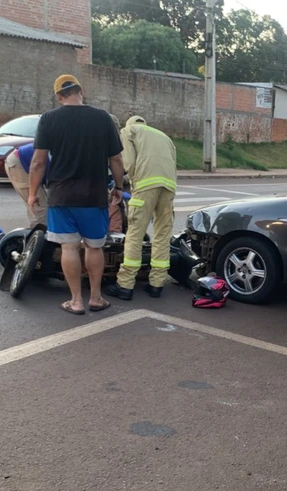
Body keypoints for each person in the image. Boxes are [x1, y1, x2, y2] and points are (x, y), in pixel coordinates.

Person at [28, 74, 125, 315]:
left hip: (61, 196)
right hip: (94, 196)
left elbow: (38, 162)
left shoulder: (48, 119)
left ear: (59, 96)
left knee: (69, 248)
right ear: (80, 91)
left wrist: (32, 193)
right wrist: (119, 187)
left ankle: (76, 301)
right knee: (94, 247)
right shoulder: (102, 118)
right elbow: (116, 158)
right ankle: (95, 298)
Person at [105, 115, 177, 300]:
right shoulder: (164, 136)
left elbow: (127, 161)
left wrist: (124, 183)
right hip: (169, 187)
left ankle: (125, 285)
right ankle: (156, 285)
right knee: (162, 235)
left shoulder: (128, 131)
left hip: (146, 186)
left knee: (135, 234)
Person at [4, 143, 50, 227]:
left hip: (28, 160)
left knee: (43, 206)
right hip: (21, 162)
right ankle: (39, 236)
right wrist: (33, 195)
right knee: (40, 207)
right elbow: (38, 165)